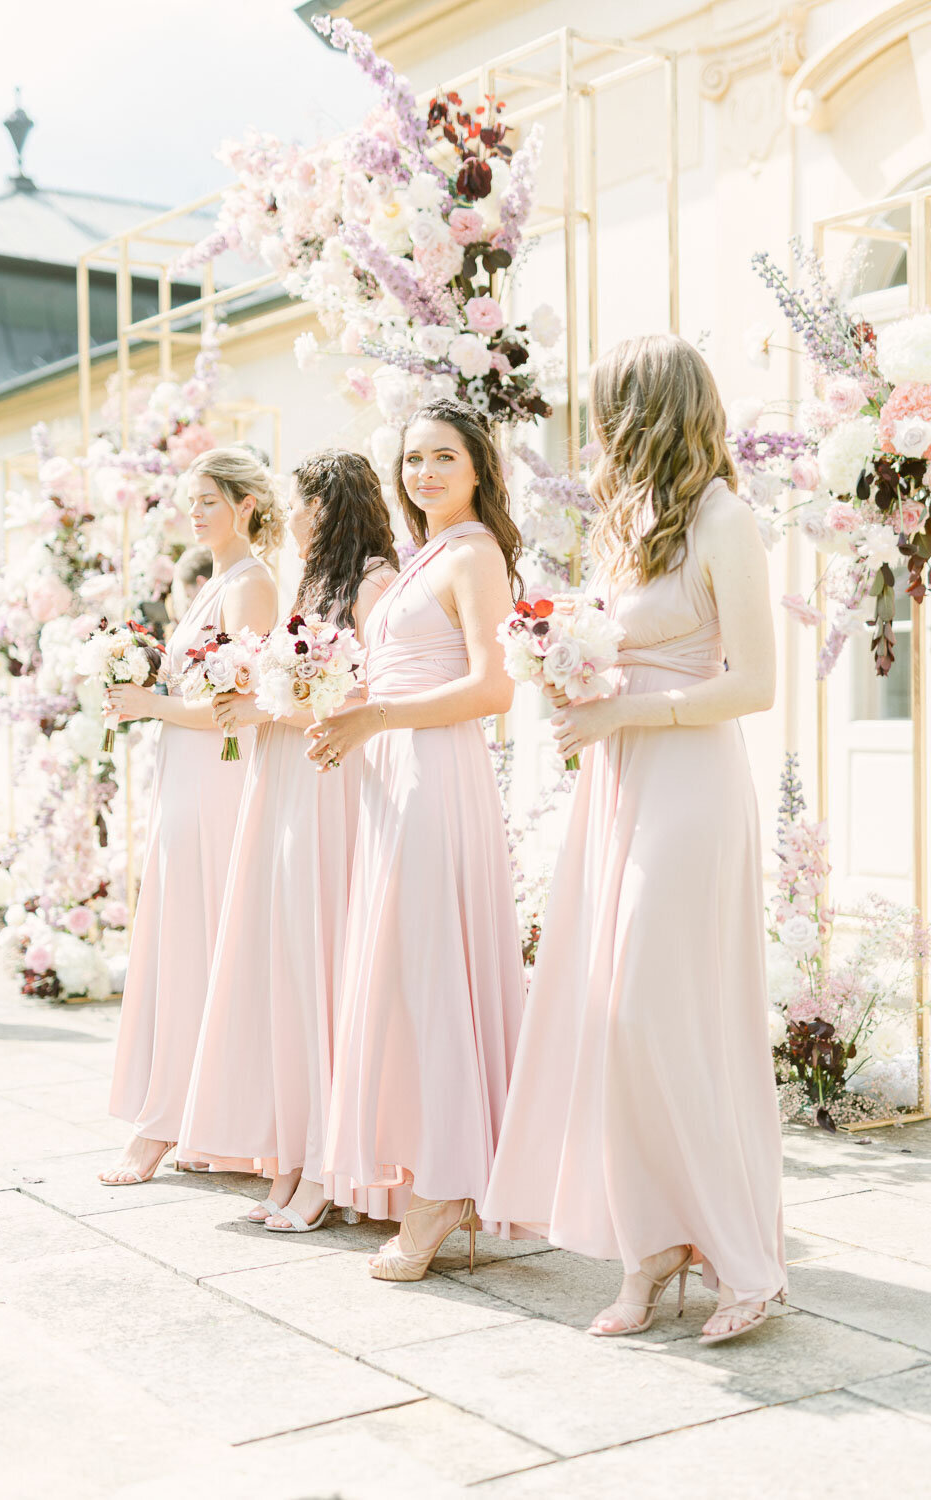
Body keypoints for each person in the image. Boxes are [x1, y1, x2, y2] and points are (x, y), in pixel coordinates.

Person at [482, 335, 786, 1345]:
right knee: (607, 1017)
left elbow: (753, 684)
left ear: (652, 409)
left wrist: (626, 716)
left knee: (654, 1016)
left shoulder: (723, 519)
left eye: (609, 408)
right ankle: (648, 1250)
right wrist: (568, 671)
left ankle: (739, 1257)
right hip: (619, 786)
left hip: (689, 784)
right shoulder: (628, 527)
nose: (597, 429)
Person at [307, 397, 526, 1279]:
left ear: (477, 466)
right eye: (411, 461)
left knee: (432, 972)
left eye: (443, 457)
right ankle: (441, 1166)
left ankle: (444, 1188)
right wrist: (357, 710)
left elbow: (495, 687)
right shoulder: (421, 555)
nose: (425, 473)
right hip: (397, 773)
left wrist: (383, 716)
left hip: (437, 774)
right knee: (403, 970)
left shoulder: (474, 555)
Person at [177, 450, 398, 1231]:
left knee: (316, 966)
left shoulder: (373, 582)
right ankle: (293, 1150)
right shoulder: (311, 586)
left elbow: (382, 691)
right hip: (281, 780)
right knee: (282, 966)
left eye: (301, 502)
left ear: (329, 506)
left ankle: (324, 1163)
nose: (290, 515)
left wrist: (280, 704)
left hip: (327, 784)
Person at [99, 446, 282, 1185]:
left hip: (218, 779)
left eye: (208, 499)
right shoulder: (214, 583)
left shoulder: (253, 587)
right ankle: (191, 1114)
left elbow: (236, 711)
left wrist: (151, 704)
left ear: (245, 504)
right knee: (183, 938)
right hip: (187, 776)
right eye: (191, 500)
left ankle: (168, 1122)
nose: (195, 512)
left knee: (198, 937)